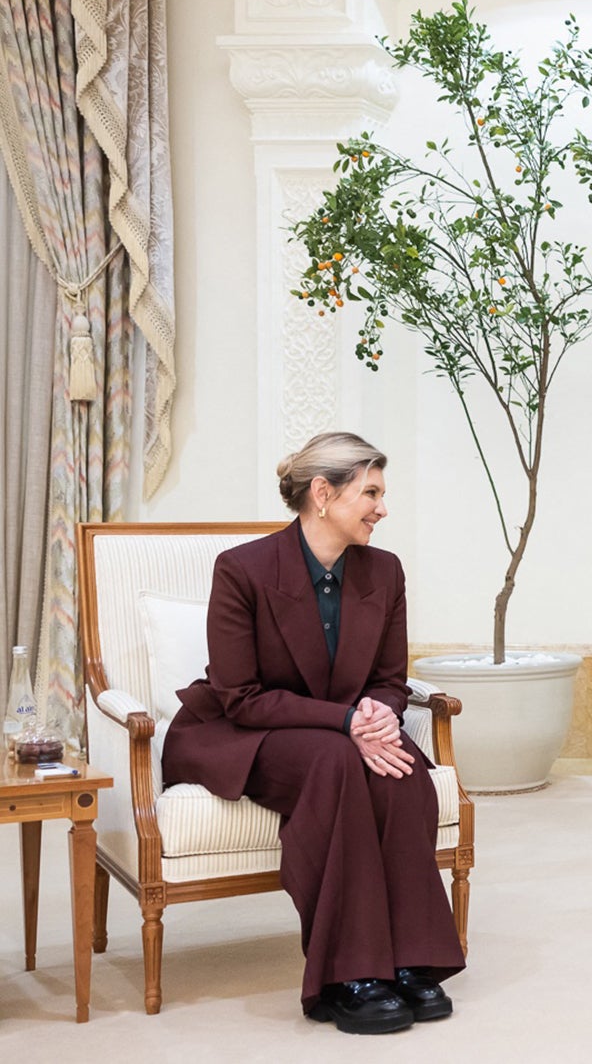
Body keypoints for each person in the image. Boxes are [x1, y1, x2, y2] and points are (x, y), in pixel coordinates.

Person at [161, 432, 464, 1032]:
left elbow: (389, 679)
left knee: (402, 765)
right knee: (337, 762)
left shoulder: (385, 571)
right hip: (246, 729)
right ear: (323, 494)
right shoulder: (242, 569)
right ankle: (348, 975)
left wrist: (379, 714)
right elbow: (241, 697)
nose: (382, 508)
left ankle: (409, 959)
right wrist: (348, 722)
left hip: (342, 730)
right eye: (371, 493)